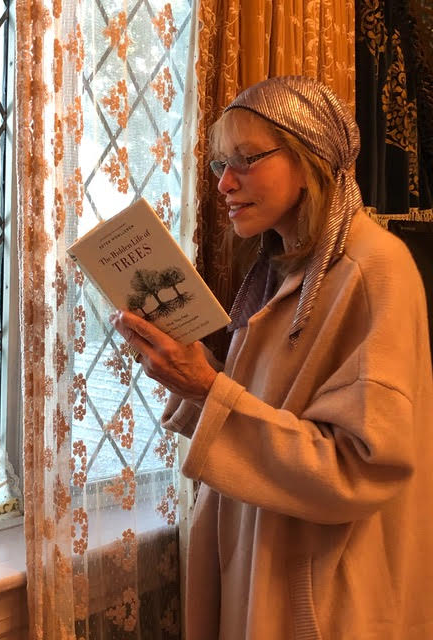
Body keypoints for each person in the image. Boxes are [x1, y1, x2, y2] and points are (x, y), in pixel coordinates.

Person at [113, 76, 433, 640]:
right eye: (220, 165)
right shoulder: (283, 268)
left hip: (322, 601)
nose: (224, 183)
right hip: (264, 567)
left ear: (311, 158)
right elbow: (271, 412)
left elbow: (359, 470)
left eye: (246, 159)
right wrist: (194, 381)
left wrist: (209, 389)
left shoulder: (373, 270)